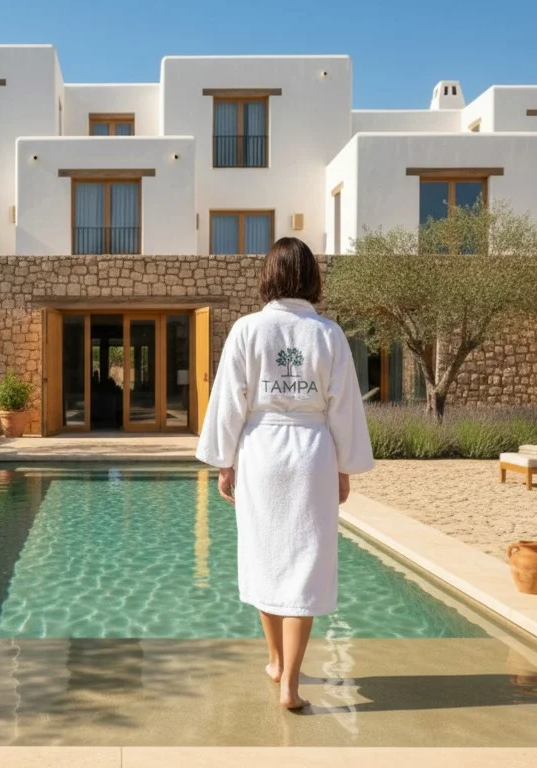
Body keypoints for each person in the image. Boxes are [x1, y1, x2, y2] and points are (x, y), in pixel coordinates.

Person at [195, 236, 374, 710]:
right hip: (312, 450)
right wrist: (344, 466)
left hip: (260, 450)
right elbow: (343, 407)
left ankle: (276, 661)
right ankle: (289, 681)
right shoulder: (328, 334)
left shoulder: (247, 329)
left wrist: (226, 462)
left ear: (269, 276)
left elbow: (229, 400)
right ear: (312, 277)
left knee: (265, 555)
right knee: (305, 564)